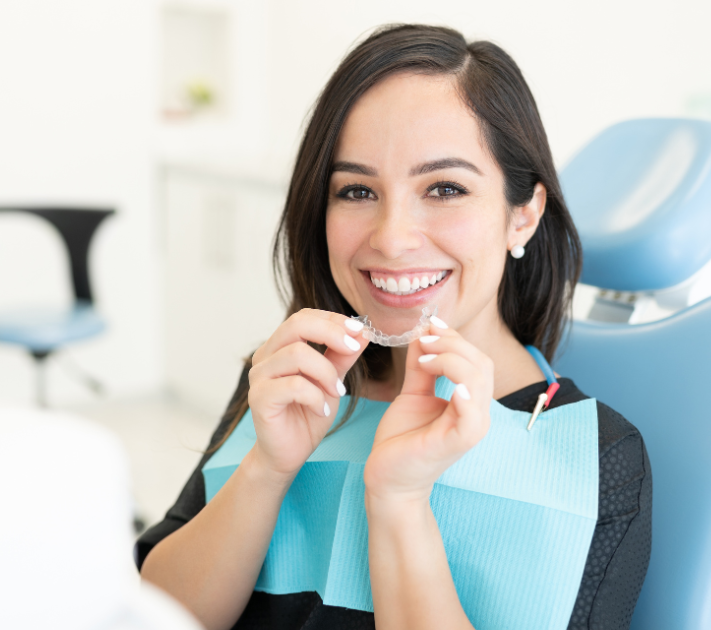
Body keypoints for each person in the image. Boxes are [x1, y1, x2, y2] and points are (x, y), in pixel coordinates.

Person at [136, 24, 651, 630]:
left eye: (444, 188)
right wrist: (265, 471)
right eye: (356, 190)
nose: (391, 238)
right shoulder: (291, 378)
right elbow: (148, 614)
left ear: (523, 216)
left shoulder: (596, 456)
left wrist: (399, 502)